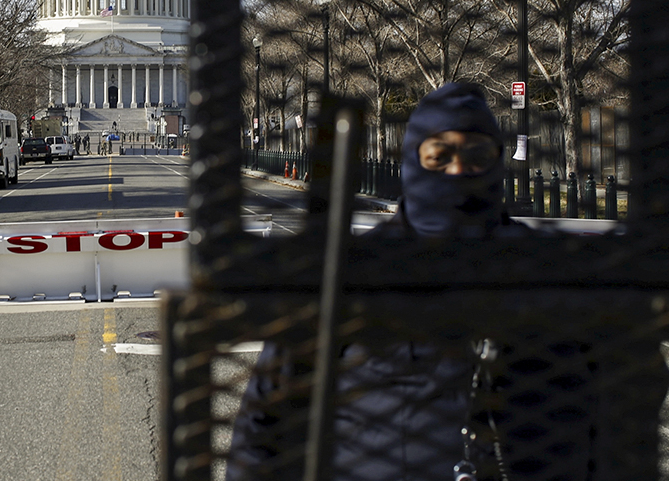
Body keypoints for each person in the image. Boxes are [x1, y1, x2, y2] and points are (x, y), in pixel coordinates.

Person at [227, 83, 640, 480]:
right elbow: (265, 421)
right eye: (439, 155)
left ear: (497, 162)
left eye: (476, 155)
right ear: (413, 160)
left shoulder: (554, 271)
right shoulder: (351, 273)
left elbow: (620, 406)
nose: (459, 170)